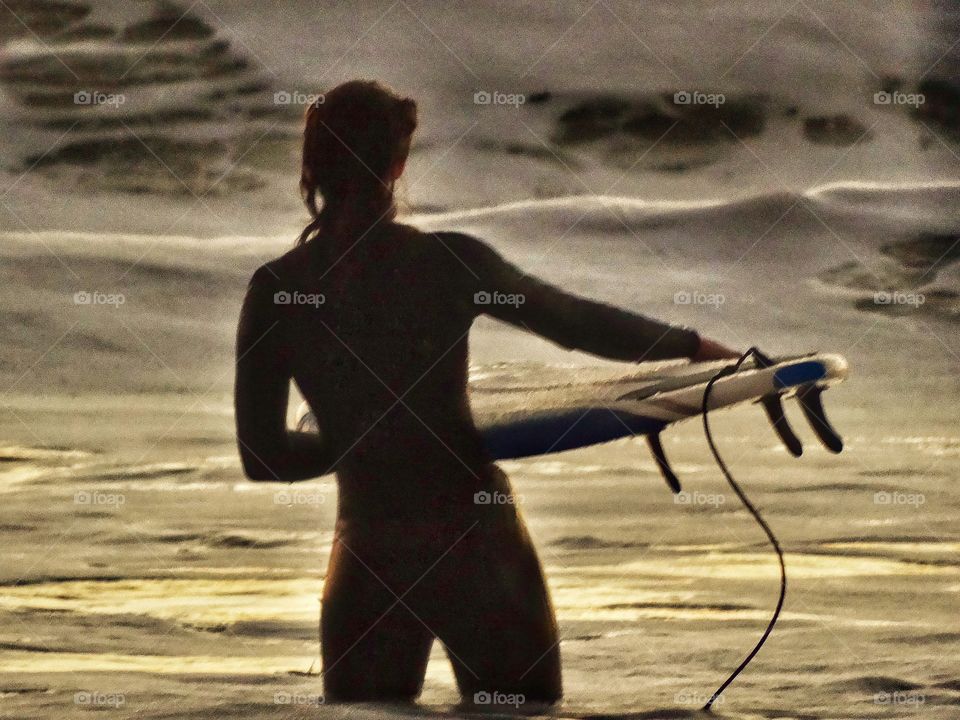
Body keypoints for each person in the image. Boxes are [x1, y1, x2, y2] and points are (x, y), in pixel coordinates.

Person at [234, 79, 739, 707]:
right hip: (476, 545)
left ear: (313, 166)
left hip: (370, 554)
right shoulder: (450, 263)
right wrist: (694, 347)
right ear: (397, 164)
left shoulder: (278, 288)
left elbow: (263, 458)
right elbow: (572, 322)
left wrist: (360, 443)